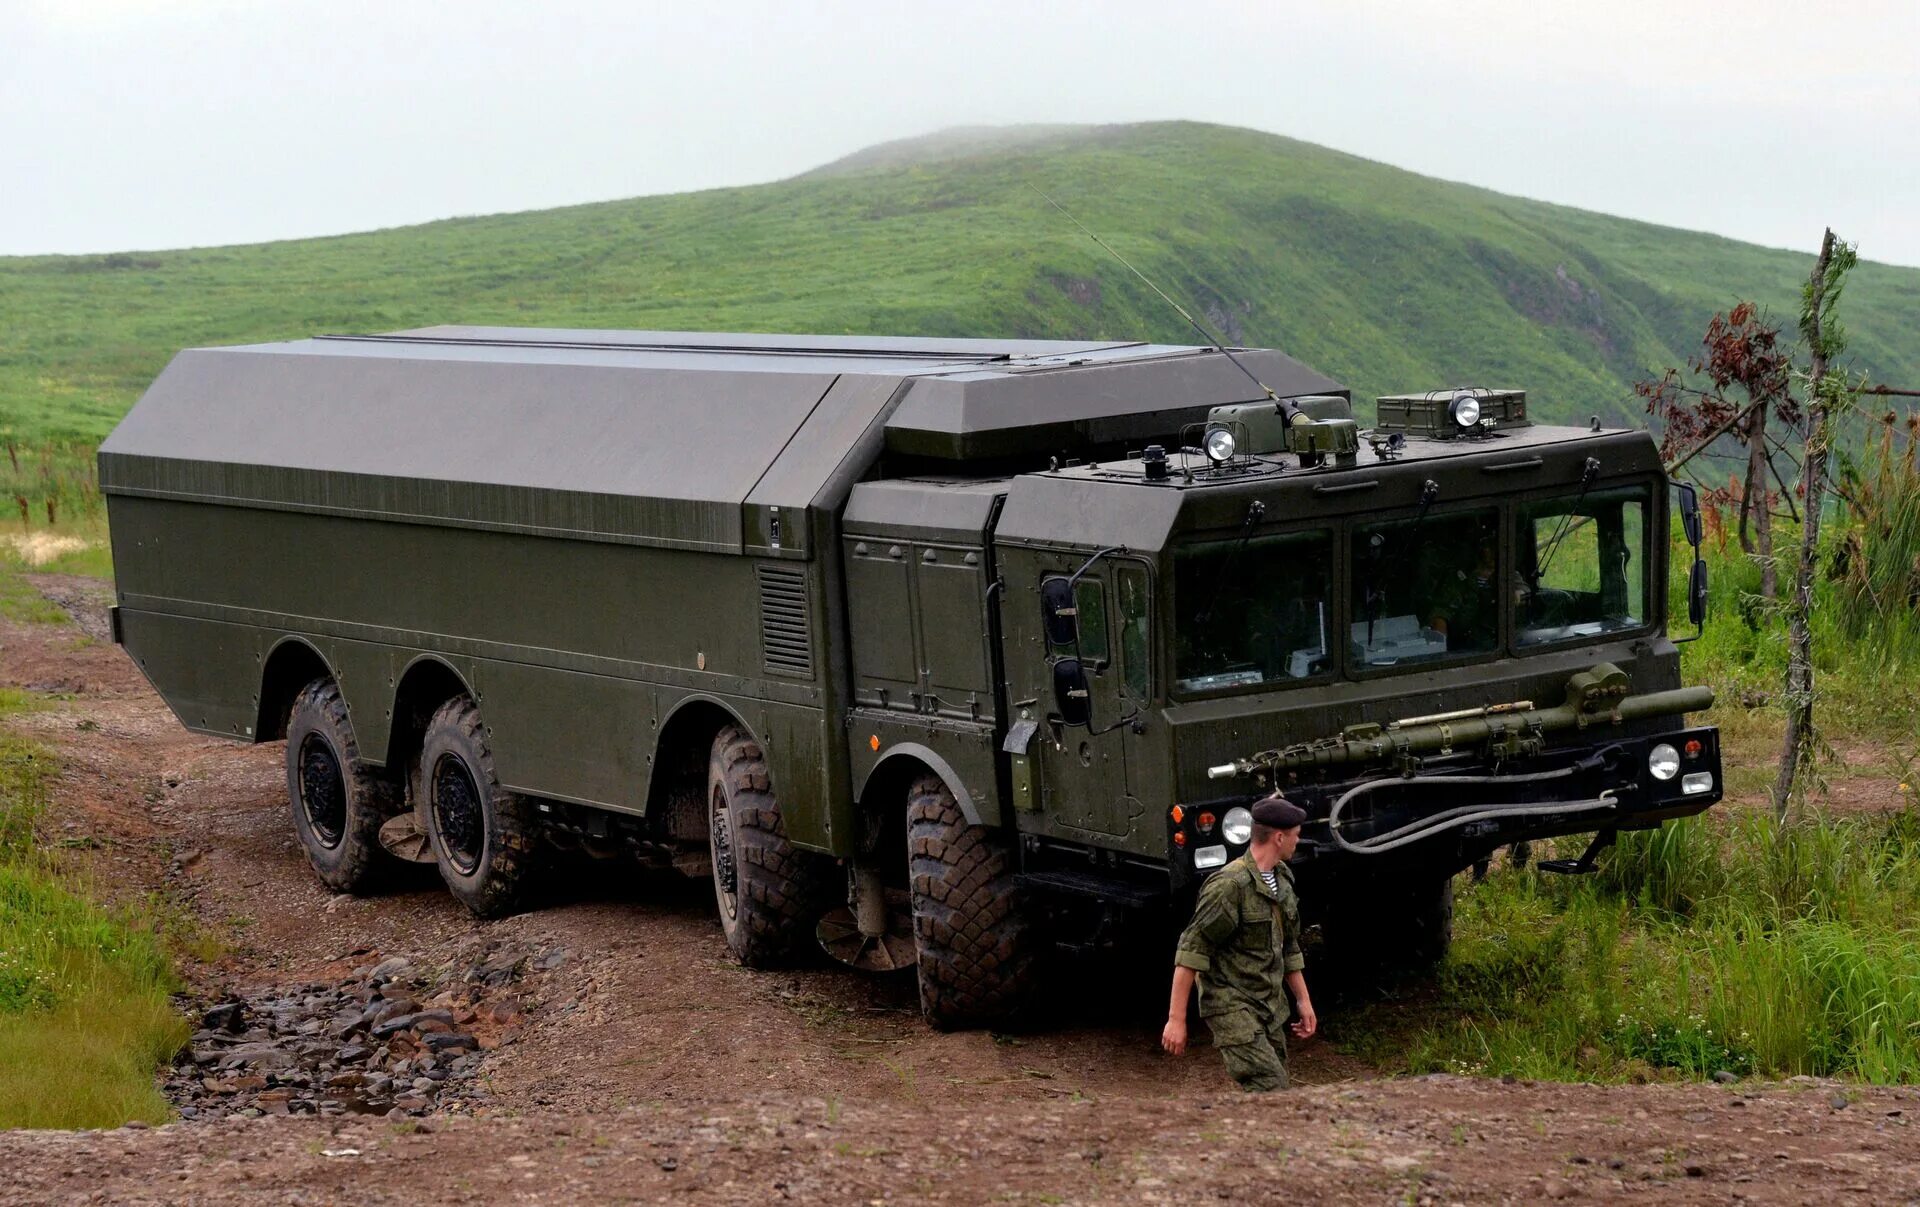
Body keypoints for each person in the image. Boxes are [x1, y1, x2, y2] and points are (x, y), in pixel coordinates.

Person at [1161, 796, 1316, 1091]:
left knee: (1274, 1089)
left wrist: (1303, 1000)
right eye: (1295, 835)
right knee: (1272, 1087)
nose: (1298, 841)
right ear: (1279, 837)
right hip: (1231, 1005)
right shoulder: (1229, 886)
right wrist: (1176, 1020)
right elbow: (1192, 951)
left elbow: (1288, 946)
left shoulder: (1281, 879)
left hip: (1268, 1005)